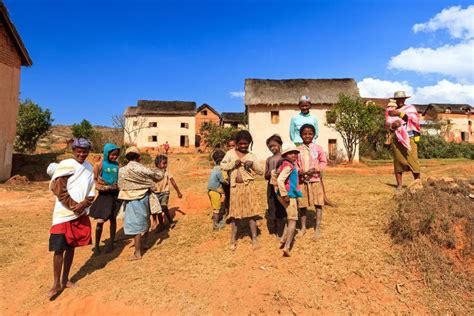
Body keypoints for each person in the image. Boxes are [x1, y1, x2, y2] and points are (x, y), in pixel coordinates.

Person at [47, 138, 96, 298]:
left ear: (88, 151)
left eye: (85, 151)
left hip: (79, 213)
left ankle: (65, 279)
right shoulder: (66, 165)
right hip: (63, 214)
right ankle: (55, 283)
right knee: (59, 248)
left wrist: (83, 204)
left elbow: (91, 191)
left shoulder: (89, 168)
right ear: (73, 151)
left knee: (71, 247)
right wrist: (74, 205)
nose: (82, 154)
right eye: (79, 151)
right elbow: (58, 188)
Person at [118, 146, 164, 260]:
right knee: (145, 219)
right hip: (145, 197)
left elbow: (120, 185)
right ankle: (145, 243)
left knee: (135, 226)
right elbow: (158, 176)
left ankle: (137, 253)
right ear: (139, 157)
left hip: (131, 199)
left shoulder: (122, 170)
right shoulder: (142, 168)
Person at [221, 130, 263, 250]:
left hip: (248, 187)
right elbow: (222, 165)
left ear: (249, 143)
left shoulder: (252, 156)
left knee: (251, 214)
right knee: (235, 215)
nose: (243, 146)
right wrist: (232, 165)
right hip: (235, 188)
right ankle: (233, 239)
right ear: (236, 143)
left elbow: (260, 171)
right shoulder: (230, 153)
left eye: (246, 144)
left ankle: (254, 238)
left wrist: (253, 165)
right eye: (241, 143)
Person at [296, 124, 328, 240]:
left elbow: (323, 162)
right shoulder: (298, 150)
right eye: (304, 134)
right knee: (302, 204)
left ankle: (317, 228)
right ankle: (303, 227)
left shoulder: (318, 148)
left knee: (318, 204)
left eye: (310, 134)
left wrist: (315, 169)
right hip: (302, 181)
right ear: (300, 135)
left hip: (315, 180)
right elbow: (294, 163)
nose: (307, 136)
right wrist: (299, 171)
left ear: (314, 135)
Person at [89, 143, 121, 255]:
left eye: (116, 155)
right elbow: (94, 181)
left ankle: (111, 243)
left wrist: (118, 185)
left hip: (115, 196)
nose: (114, 157)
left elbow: (120, 179)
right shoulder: (99, 165)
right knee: (100, 221)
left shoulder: (118, 165)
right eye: (112, 155)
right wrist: (105, 187)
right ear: (107, 153)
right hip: (104, 196)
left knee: (113, 219)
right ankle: (97, 245)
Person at [388, 91, 421, 190]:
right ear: (395, 100)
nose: (400, 101)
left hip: (409, 137)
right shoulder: (391, 111)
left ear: (405, 99)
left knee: (413, 160)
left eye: (402, 99)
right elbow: (389, 126)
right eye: (398, 99)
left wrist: (400, 114)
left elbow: (413, 119)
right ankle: (399, 185)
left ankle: (418, 183)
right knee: (398, 161)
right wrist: (392, 126)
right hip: (396, 138)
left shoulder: (410, 108)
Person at [276, 143, 303, 257]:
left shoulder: (285, 164)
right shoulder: (288, 166)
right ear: (285, 155)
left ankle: (282, 240)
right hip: (288, 195)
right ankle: (287, 247)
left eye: (295, 153)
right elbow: (280, 180)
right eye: (290, 153)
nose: (294, 155)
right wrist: (285, 194)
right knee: (292, 220)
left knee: (289, 217)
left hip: (283, 194)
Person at [151, 155, 183, 230]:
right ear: (158, 164)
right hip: (156, 193)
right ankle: (162, 225)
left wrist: (178, 192)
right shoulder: (154, 173)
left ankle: (170, 222)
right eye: (164, 163)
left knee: (163, 206)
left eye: (166, 163)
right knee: (159, 210)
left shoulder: (167, 172)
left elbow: (173, 182)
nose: (166, 165)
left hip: (165, 192)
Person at [264, 134, 286, 238]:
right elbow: (266, 175)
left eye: (274, 145)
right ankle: (276, 227)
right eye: (270, 147)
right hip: (271, 186)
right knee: (272, 205)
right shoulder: (269, 159)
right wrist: (270, 173)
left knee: (281, 205)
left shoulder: (284, 157)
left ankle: (281, 230)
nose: (273, 148)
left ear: (280, 144)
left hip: (282, 186)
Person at [207, 150, 227, 231]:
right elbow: (223, 180)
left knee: (216, 207)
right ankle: (215, 225)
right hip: (215, 192)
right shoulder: (219, 169)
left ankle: (217, 222)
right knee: (216, 209)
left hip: (210, 191)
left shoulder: (214, 168)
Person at [222, 138, 236, 216]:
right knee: (228, 196)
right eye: (229, 146)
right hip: (228, 179)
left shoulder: (238, 155)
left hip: (235, 180)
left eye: (233, 145)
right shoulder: (227, 155)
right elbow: (224, 167)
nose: (231, 147)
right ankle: (228, 212)